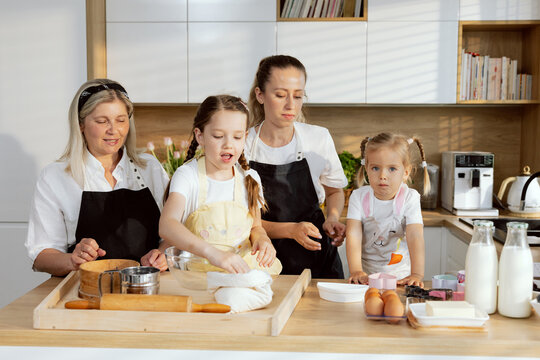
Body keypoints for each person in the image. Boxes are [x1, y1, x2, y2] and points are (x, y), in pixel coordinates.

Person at [25, 79, 170, 276]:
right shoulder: (55, 176)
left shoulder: (150, 168)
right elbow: (41, 254)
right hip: (83, 290)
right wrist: (72, 260)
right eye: (102, 121)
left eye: (121, 120)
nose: (114, 130)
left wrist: (161, 255)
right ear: (81, 124)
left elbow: (173, 233)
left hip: (145, 288)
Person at [245, 55, 347, 279]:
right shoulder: (242, 145)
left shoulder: (318, 138)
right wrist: (291, 230)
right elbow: (240, 219)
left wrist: (332, 217)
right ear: (260, 95)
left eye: (298, 96)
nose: (291, 104)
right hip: (263, 258)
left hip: (317, 257)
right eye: (280, 95)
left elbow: (334, 190)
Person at [159, 95, 281, 274]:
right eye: (218, 136)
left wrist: (263, 239)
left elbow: (255, 226)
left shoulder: (250, 177)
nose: (228, 144)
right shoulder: (188, 176)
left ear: (245, 137)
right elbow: (167, 224)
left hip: (242, 274)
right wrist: (212, 254)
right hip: (200, 278)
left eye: (237, 137)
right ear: (200, 136)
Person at [346, 133, 430, 287]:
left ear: (406, 172)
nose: (382, 175)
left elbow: (415, 235)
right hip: (366, 277)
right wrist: (356, 270)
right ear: (367, 169)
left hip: (401, 277)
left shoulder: (409, 198)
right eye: (376, 168)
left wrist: (417, 274)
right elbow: (353, 234)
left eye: (392, 169)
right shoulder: (358, 197)